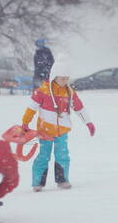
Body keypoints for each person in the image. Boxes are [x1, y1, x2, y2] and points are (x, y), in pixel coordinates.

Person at [21, 57, 95, 192]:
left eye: (67, 78)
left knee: (62, 155)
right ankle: (37, 183)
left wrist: (88, 122)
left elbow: (79, 108)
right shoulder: (43, 90)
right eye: (62, 78)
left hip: (62, 130)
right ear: (54, 76)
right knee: (44, 155)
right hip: (45, 131)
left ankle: (62, 180)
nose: (65, 81)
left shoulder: (69, 92)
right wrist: (25, 122)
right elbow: (32, 107)